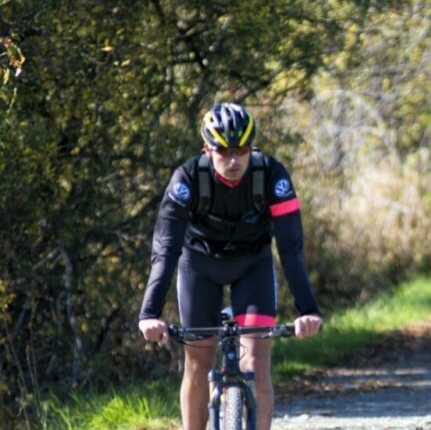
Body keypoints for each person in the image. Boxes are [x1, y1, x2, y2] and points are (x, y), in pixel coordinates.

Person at [137, 102, 322, 430]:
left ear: (252, 147)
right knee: (198, 361)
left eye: (241, 150)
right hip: (199, 266)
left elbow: (291, 250)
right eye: (224, 151)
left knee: (258, 360)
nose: (234, 160)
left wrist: (308, 310)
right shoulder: (187, 180)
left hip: (254, 266)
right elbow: (165, 251)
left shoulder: (272, 177)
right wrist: (149, 314)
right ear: (207, 149)